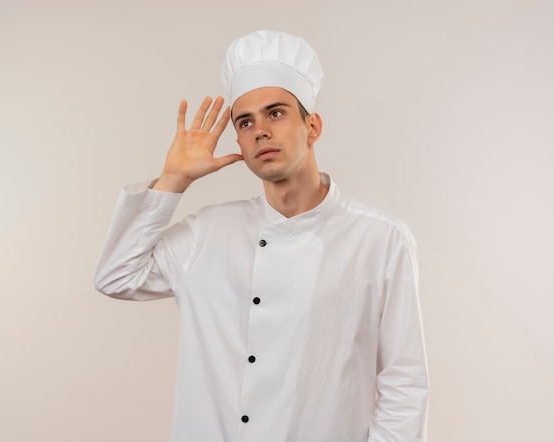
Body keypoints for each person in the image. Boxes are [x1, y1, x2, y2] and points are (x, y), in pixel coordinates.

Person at [94, 30, 429, 442]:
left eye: (275, 113)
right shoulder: (209, 232)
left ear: (313, 126)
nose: (259, 131)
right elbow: (116, 276)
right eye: (245, 121)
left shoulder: (380, 239)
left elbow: (405, 384)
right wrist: (173, 179)